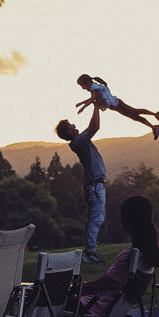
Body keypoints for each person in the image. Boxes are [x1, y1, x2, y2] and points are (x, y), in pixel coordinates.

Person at [27, 195, 159, 317]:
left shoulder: (131, 256)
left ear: (126, 222)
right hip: (109, 307)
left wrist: (77, 289)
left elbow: (107, 283)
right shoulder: (148, 255)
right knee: (47, 299)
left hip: (97, 307)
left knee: (35, 300)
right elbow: (111, 284)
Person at [56, 103, 108, 264]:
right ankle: (89, 253)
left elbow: (92, 127)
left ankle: (90, 252)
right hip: (95, 186)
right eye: (72, 125)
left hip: (95, 186)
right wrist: (96, 106)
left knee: (96, 218)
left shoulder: (79, 141)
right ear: (68, 131)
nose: (75, 125)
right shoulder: (79, 142)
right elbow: (95, 126)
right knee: (95, 219)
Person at [73, 74, 159, 140]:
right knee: (134, 116)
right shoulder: (95, 87)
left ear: (87, 82)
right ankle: (153, 126)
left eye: (82, 86)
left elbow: (93, 98)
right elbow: (93, 97)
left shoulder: (94, 88)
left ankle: (156, 115)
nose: (83, 88)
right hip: (116, 105)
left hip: (116, 105)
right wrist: (81, 103)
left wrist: (83, 107)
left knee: (135, 113)